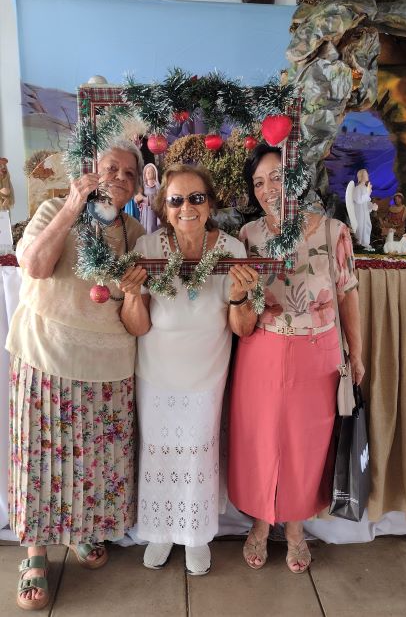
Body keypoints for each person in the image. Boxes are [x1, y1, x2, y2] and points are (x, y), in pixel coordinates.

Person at [6, 139, 146, 610]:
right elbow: (33, 266)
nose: (119, 177)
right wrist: (71, 205)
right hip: (45, 354)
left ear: (136, 186)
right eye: (111, 168)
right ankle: (35, 553)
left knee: (93, 461)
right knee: (39, 460)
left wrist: (133, 292)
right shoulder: (53, 210)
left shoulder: (134, 232)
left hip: (108, 368)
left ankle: (82, 532)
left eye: (129, 173)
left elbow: (134, 316)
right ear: (92, 170)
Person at [228, 144, 365, 574]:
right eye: (258, 182)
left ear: (295, 179)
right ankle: (258, 523)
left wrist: (358, 353)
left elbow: (348, 294)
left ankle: (294, 529)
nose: (268, 188)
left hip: (318, 354)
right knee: (260, 439)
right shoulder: (247, 237)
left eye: (276, 177)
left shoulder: (333, 232)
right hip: (261, 350)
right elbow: (241, 305)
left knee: (306, 444)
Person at [119, 163, 259, 576]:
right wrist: (131, 295)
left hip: (206, 376)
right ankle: (160, 530)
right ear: (164, 207)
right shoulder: (146, 246)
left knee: (198, 453)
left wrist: (240, 297)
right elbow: (137, 326)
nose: (186, 208)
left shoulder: (231, 249)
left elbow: (243, 329)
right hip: (155, 375)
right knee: (158, 452)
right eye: (176, 200)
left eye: (196, 198)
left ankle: (196, 534)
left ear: (210, 203)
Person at [352, 168, 378, 251]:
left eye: (367, 174)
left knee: (367, 226)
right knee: (360, 227)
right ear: (361, 176)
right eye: (366, 174)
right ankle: (359, 244)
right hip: (359, 214)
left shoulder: (364, 188)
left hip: (365, 214)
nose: (367, 176)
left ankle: (365, 243)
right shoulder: (357, 188)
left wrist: (372, 206)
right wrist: (367, 193)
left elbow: (366, 202)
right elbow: (358, 200)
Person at [137, 163, 161, 233]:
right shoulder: (144, 186)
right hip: (144, 210)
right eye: (147, 172)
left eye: (150, 172)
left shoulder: (157, 186)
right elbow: (139, 199)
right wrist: (138, 201)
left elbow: (159, 199)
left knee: (150, 227)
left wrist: (144, 199)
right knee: (144, 226)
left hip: (152, 211)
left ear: (154, 173)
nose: (148, 173)